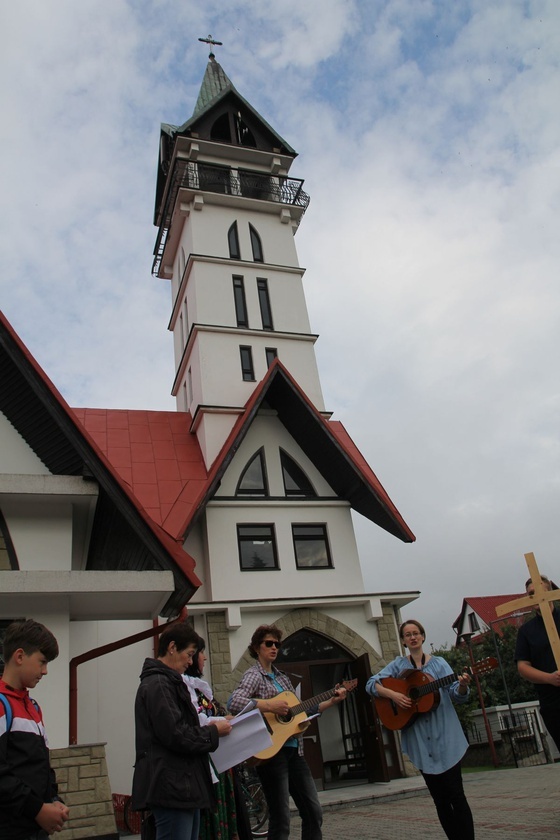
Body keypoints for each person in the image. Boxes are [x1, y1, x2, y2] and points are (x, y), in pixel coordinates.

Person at [227, 624, 348, 840]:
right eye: (269, 644)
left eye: (277, 644)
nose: (274, 648)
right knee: (281, 819)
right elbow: (234, 702)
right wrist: (270, 706)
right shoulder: (254, 675)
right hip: (271, 754)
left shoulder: (282, 678)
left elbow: (300, 711)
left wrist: (331, 699)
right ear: (256, 647)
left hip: (294, 751)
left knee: (313, 812)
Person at [366, 620, 474, 840]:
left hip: (446, 740)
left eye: (416, 633)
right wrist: (394, 695)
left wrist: (462, 684)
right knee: (440, 800)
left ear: (423, 637)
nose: (412, 637)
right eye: (408, 635)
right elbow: (371, 683)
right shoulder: (398, 666)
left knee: (457, 796)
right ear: (404, 641)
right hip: (420, 744)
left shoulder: (440, 664)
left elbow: (456, 694)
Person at [131, 623, 232, 840]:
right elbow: (176, 734)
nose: (190, 661)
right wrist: (213, 732)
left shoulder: (168, 682)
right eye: (189, 654)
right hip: (172, 787)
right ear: (172, 647)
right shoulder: (158, 684)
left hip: (182, 785)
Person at [0, 618, 69, 840]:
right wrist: (37, 809)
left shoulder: (34, 707)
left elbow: (42, 766)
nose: (45, 671)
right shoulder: (2, 705)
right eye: (42, 662)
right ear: (19, 656)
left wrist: (54, 800)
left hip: (35, 830)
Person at [183, 636, 251, 840]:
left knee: (229, 818)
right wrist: (217, 723)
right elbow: (195, 721)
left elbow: (213, 713)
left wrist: (226, 719)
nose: (204, 658)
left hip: (222, 763)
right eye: (201, 653)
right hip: (207, 762)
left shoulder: (200, 688)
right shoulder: (184, 687)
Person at [515, 574, 560, 750]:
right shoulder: (527, 631)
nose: (535, 596)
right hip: (552, 704)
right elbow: (523, 667)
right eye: (530, 593)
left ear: (549, 591)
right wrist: (549, 678)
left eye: (539, 590)